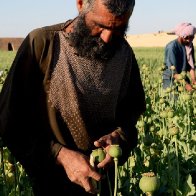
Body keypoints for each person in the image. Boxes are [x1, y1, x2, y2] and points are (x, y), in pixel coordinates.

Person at [0, 0, 146, 195]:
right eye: (100, 26)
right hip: (51, 184)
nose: (107, 38)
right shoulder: (43, 44)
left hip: (106, 185)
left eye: (119, 28)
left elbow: (130, 116)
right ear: (80, 4)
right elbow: (9, 121)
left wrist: (118, 137)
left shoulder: (124, 54)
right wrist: (60, 155)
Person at [163, 22, 196, 91]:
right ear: (181, 35)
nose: (189, 40)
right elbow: (172, 71)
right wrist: (186, 85)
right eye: (186, 37)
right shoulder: (172, 47)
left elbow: (191, 66)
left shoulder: (189, 45)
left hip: (183, 78)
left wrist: (194, 80)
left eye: (192, 37)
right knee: (173, 100)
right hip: (170, 80)